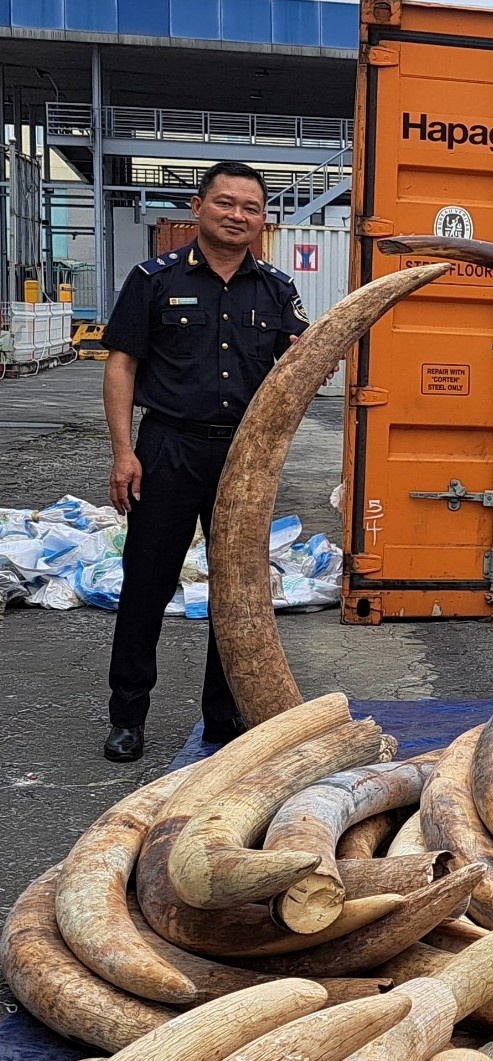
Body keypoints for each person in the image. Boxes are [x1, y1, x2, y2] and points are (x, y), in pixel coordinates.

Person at [99, 159, 307, 762]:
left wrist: (315, 359)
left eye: (251, 207)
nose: (237, 215)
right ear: (198, 207)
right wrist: (123, 452)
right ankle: (127, 717)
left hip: (243, 457)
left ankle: (224, 714)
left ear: (263, 219)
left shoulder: (276, 289)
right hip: (167, 449)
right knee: (147, 582)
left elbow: (298, 362)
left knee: (237, 590)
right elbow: (122, 365)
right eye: (225, 202)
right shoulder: (153, 280)